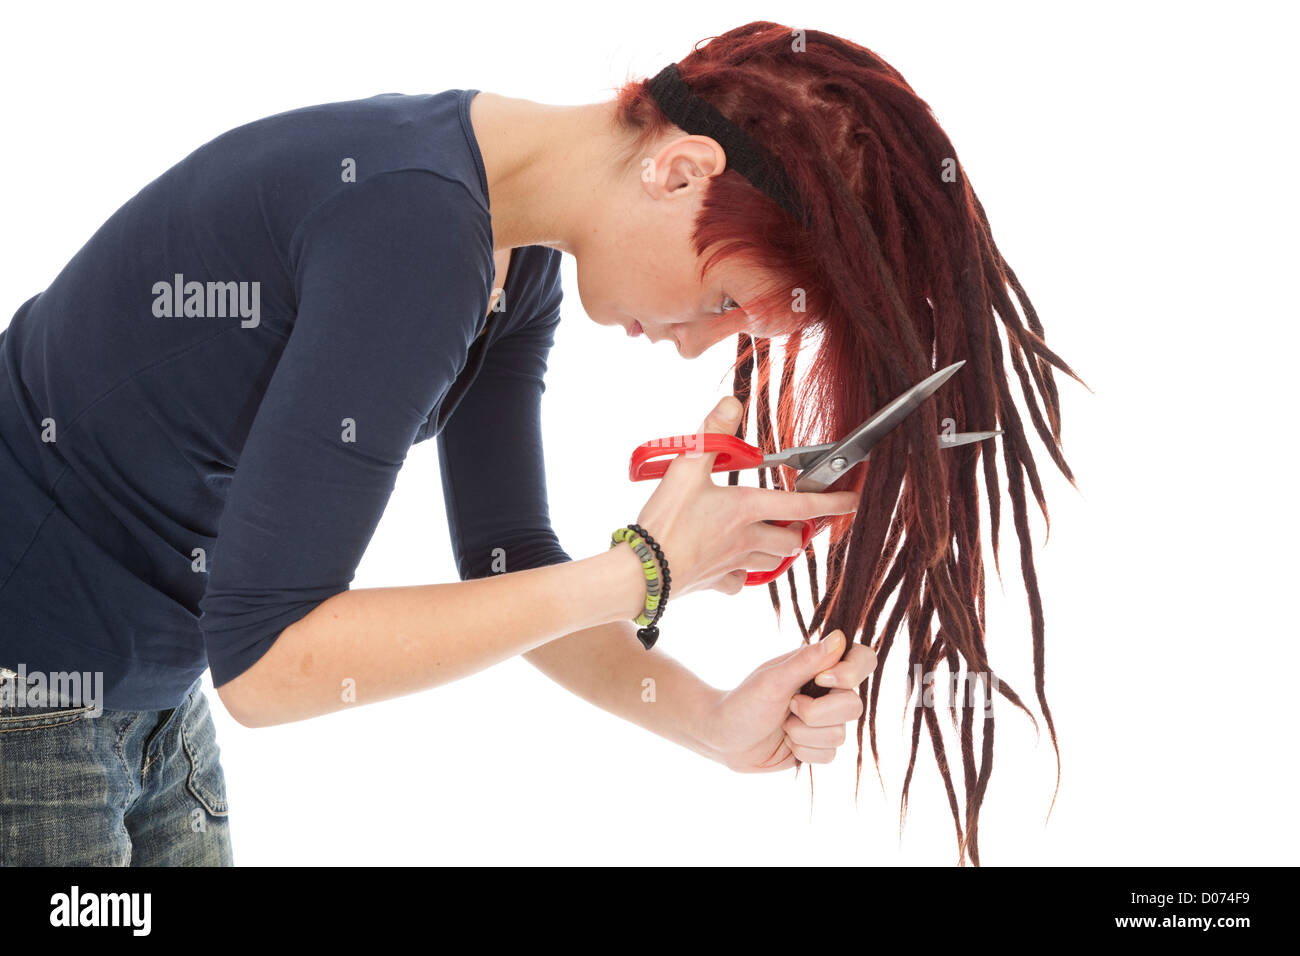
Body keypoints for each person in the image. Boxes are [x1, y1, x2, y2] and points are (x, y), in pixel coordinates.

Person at [0, 25, 896, 865]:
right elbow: (268, 667)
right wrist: (646, 569)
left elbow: (507, 562)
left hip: (150, 693)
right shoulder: (416, 230)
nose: (699, 343)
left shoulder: (513, 248)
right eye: (725, 301)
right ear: (682, 171)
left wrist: (710, 720)